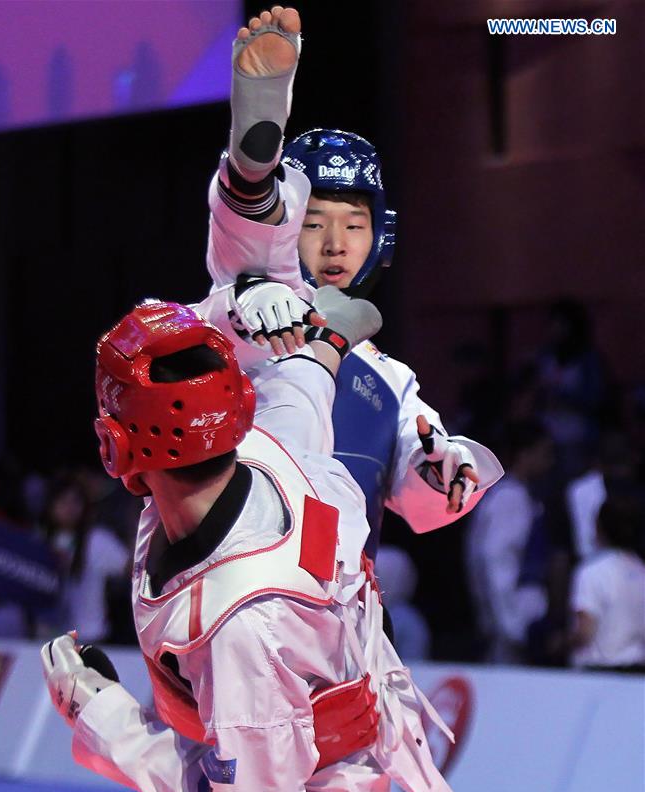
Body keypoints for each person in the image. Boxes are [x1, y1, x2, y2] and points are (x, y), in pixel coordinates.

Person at [42, 287, 455, 792]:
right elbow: (306, 385)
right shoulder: (270, 442)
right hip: (284, 714)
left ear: (116, 443)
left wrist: (101, 714)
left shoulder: (242, 624)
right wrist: (329, 342)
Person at [194, 6, 503, 561]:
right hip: (241, 588)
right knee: (258, 256)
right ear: (291, 226)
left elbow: (418, 502)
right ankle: (253, 161)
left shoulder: (392, 378)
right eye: (314, 222)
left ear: (378, 234)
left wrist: (445, 469)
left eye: (354, 224)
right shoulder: (253, 309)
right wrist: (243, 300)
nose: (336, 242)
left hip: (344, 609)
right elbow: (236, 274)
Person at [465, 421, 555, 663]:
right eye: (545, 453)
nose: (550, 462)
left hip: (509, 617)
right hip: (513, 621)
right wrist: (509, 625)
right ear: (524, 454)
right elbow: (496, 560)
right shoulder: (511, 498)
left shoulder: (510, 494)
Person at [43, 476, 129, 643]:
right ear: (50, 505)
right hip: (45, 638)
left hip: (89, 637)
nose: (70, 507)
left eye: (75, 501)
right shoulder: (38, 540)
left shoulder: (97, 540)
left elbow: (134, 569)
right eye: (62, 501)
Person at [568, 496, 645, 672]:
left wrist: (559, 644)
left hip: (598, 674)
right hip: (637, 674)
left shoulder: (591, 572)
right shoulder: (641, 570)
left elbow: (585, 633)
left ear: (599, 528)